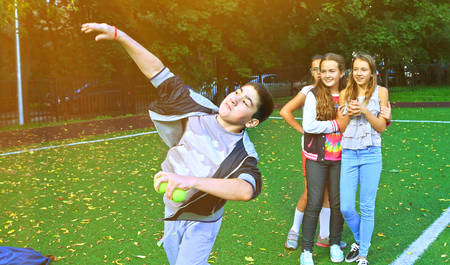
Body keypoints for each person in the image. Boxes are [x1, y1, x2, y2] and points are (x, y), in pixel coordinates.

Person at [81, 22, 274, 265]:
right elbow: (158, 73)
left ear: (253, 122)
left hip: (202, 221)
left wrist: (191, 181)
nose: (235, 99)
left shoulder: (242, 153)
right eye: (238, 92)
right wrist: (119, 36)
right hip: (171, 209)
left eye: (246, 102)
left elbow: (246, 190)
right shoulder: (196, 107)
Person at [281, 55, 346, 251]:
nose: (321, 73)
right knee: (311, 193)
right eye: (316, 69)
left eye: (324, 69)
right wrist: (304, 131)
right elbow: (286, 111)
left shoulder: (343, 93)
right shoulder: (309, 91)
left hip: (335, 153)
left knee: (330, 194)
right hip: (313, 150)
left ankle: (325, 235)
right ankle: (294, 230)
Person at [338, 52, 391, 265]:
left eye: (364, 69)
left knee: (367, 207)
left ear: (372, 73)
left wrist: (364, 110)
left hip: (371, 154)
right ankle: (361, 241)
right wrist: (350, 113)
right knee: (346, 207)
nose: (359, 73)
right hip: (349, 154)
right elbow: (340, 128)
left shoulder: (381, 92)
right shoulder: (344, 93)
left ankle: (363, 256)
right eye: (356, 69)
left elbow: (381, 128)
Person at [300, 53, 347, 265]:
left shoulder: (349, 94)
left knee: (338, 203)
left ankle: (335, 243)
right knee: (314, 202)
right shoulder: (312, 94)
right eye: (323, 71)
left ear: (341, 73)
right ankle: (306, 251)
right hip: (316, 158)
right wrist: (337, 125)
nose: (326, 75)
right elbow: (309, 126)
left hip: (342, 158)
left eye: (331, 71)